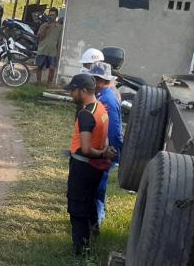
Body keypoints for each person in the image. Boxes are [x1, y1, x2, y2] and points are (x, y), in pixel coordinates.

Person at [64, 74, 116, 256]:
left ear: (83, 91)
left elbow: (86, 149)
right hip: (94, 168)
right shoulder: (101, 108)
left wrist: (102, 152)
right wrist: (104, 152)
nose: (71, 94)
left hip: (83, 167)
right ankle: (94, 231)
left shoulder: (86, 114)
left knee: (77, 207)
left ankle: (80, 251)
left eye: (73, 90)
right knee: (90, 200)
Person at [88, 62, 123, 227]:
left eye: (94, 79)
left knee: (98, 186)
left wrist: (114, 151)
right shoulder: (101, 96)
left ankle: (96, 222)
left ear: (101, 80)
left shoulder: (107, 99)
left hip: (105, 150)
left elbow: (114, 130)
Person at [35, 8, 62, 86]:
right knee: (39, 66)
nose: (51, 17)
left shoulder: (59, 27)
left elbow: (59, 41)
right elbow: (39, 38)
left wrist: (58, 52)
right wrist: (46, 28)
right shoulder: (43, 25)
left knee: (52, 68)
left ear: (56, 16)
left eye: (53, 15)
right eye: (50, 15)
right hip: (42, 49)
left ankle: (49, 83)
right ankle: (38, 82)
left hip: (53, 51)